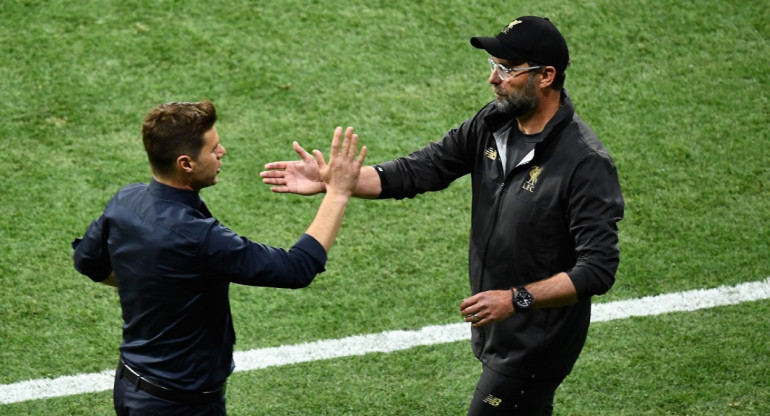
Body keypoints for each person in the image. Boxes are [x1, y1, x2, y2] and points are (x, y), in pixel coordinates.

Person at [260, 16, 624, 415]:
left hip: (537, 339)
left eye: (506, 69)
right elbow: (423, 169)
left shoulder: (584, 163)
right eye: (493, 67)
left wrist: (515, 299)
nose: (493, 79)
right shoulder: (493, 124)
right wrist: (341, 181)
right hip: (500, 328)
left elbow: (598, 270)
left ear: (546, 76)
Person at [72, 100, 366, 415]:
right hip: (180, 406)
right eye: (213, 149)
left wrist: (154, 283)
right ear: (186, 163)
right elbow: (296, 269)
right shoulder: (200, 238)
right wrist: (337, 192)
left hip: (131, 388)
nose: (222, 151)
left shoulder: (125, 202)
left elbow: (88, 261)